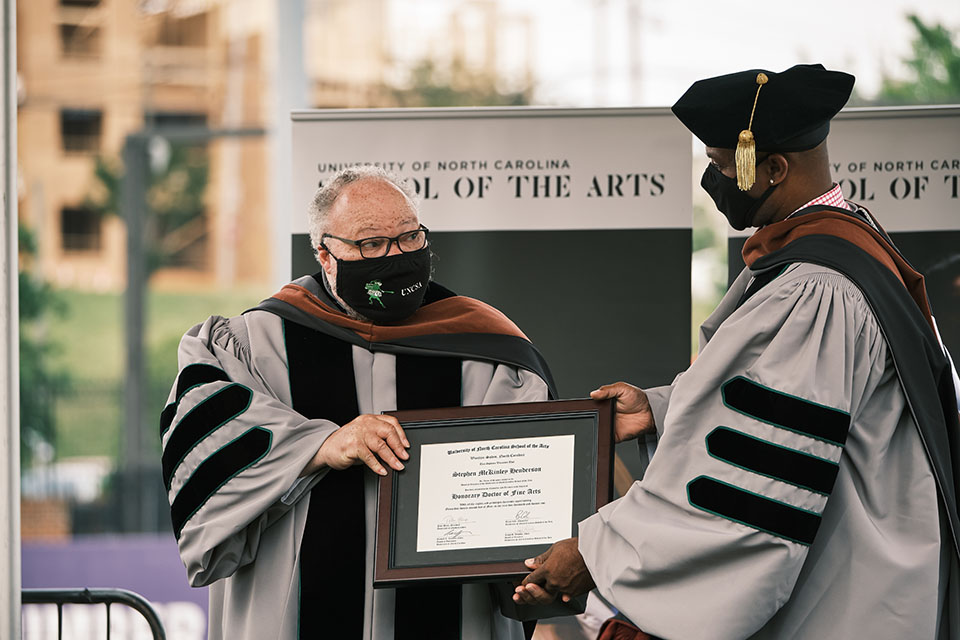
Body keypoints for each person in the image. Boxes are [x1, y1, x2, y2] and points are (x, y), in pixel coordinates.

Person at [513, 64, 960, 639]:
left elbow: (756, 481)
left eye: (723, 166)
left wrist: (599, 551)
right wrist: (661, 408)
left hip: (848, 595)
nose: (712, 181)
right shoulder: (848, 246)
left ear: (772, 169)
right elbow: (783, 404)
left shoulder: (816, 289)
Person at [160, 165, 557, 640]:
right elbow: (207, 448)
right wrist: (319, 445)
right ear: (325, 256)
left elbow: (524, 484)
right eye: (371, 244)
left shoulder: (487, 348)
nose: (396, 256)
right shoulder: (251, 343)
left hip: (451, 614)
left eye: (409, 237)